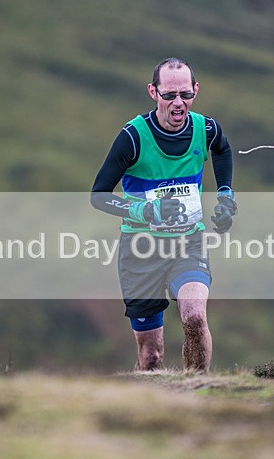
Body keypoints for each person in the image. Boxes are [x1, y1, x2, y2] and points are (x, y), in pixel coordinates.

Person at [90, 57, 236, 373]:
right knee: (151, 356)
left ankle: (198, 393)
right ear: (153, 92)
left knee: (195, 317)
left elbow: (222, 150)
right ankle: (155, 411)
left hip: (188, 243)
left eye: (185, 94)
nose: (178, 103)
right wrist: (147, 210)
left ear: (196, 89)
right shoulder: (132, 137)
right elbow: (98, 196)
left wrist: (225, 194)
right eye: (169, 95)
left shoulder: (206, 128)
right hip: (140, 250)